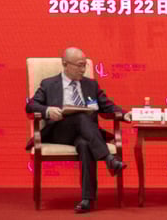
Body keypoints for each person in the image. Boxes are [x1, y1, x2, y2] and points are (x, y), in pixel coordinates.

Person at [25, 47, 130, 213]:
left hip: (86, 134)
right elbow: (31, 105)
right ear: (65, 64)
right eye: (79, 65)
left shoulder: (91, 85)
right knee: (81, 116)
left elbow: (107, 106)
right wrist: (48, 110)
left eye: (85, 66)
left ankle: (87, 199)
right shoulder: (49, 84)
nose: (83, 70)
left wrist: (125, 114)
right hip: (60, 132)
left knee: (85, 144)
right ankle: (109, 158)